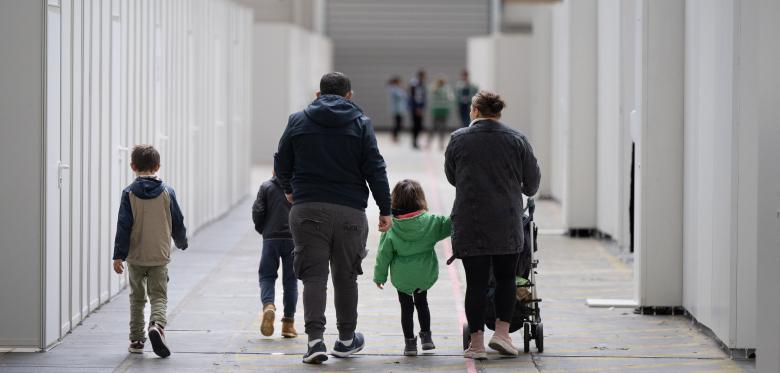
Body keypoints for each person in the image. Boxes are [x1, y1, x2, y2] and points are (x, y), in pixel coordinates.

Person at [274, 72, 393, 364]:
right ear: (349, 95)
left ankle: (315, 342)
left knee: (313, 277)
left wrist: (289, 190)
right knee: (346, 277)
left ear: (318, 94)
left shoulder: (298, 120)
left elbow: (281, 160)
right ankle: (346, 340)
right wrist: (385, 209)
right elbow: (375, 168)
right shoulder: (361, 123)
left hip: (307, 209)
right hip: (350, 211)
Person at [444, 91, 540, 360]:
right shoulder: (517, 140)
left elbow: (452, 177)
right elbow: (532, 184)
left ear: (474, 110)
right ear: (498, 112)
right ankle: (502, 334)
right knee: (506, 278)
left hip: (470, 222)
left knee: (475, 283)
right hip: (507, 222)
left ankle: (476, 344)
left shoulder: (458, 139)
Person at [112, 144, 188, 358]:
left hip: (136, 256)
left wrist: (118, 255)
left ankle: (136, 340)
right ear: (157, 166)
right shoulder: (167, 191)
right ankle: (156, 325)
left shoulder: (128, 193)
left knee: (137, 298)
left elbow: (123, 226)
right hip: (159, 254)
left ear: (132, 166)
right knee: (158, 296)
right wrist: (181, 241)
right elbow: (177, 220)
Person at [373, 179, 452, 356]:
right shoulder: (431, 222)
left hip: (402, 277)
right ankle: (427, 338)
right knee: (422, 303)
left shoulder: (391, 226)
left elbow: (383, 255)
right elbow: (450, 224)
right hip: (424, 274)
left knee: (406, 308)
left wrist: (380, 277)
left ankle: (409, 343)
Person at [252, 172, 298, 338]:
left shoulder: (266, 187)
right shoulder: (298, 187)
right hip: (293, 239)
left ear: (274, 170)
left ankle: (269, 305)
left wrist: (264, 230)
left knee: (266, 276)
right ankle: (288, 324)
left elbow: (257, 211)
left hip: (271, 238)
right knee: (291, 281)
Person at [428, 76, 454, 150]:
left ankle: (429, 143)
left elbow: (430, 99)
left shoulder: (433, 88)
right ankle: (441, 144)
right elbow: (451, 98)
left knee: (433, 126)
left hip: (435, 110)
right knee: (442, 127)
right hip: (444, 110)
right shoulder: (447, 89)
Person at [408, 70, 428, 149]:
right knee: (416, 125)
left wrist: (422, 107)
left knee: (419, 125)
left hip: (420, 108)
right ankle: (414, 142)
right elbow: (413, 97)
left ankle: (416, 141)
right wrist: (417, 108)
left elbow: (423, 97)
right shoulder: (414, 84)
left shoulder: (422, 84)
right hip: (415, 108)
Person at [387, 76, 407, 143]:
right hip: (396, 109)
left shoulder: (396, 88)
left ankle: (395, 136)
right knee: (397, 124)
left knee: (398, 124)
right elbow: (401, 95)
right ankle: (394, 136)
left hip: (399, 109)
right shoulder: (394, 89)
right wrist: (403, 89)